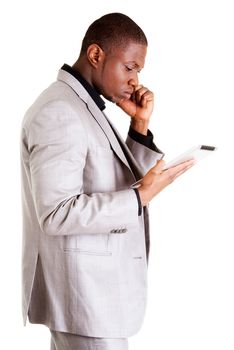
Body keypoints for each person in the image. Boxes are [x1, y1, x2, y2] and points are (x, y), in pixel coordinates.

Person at [20, 12, 194, 350]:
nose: (135, 80)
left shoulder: (82, 106)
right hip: (85, 298)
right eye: (129, 67)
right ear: (96, 55)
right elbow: (56, 213)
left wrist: (139, 128)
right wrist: (140, 198)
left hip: (97, 299)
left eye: (139, 71)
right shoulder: (60, 111)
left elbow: (107, 178)